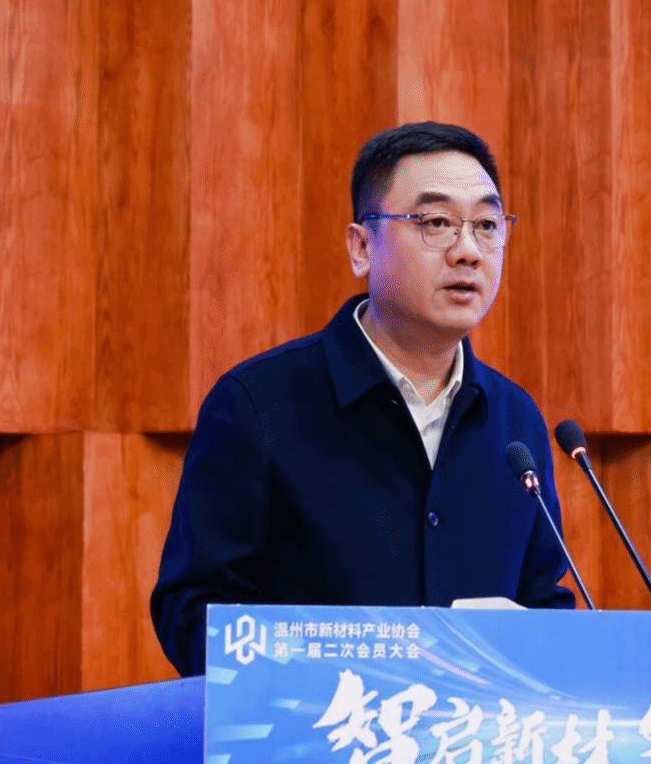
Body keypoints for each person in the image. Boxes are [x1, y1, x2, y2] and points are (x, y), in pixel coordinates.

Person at [150, 122, 576, 677]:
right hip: (318, 726)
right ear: (361, 247)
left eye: (487, 225)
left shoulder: (515, 421)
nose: (468, 251)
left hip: (471, 732)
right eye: (436, 223)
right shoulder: (258, 406)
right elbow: (192, 610)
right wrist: (327, 671)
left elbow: (543, 601)